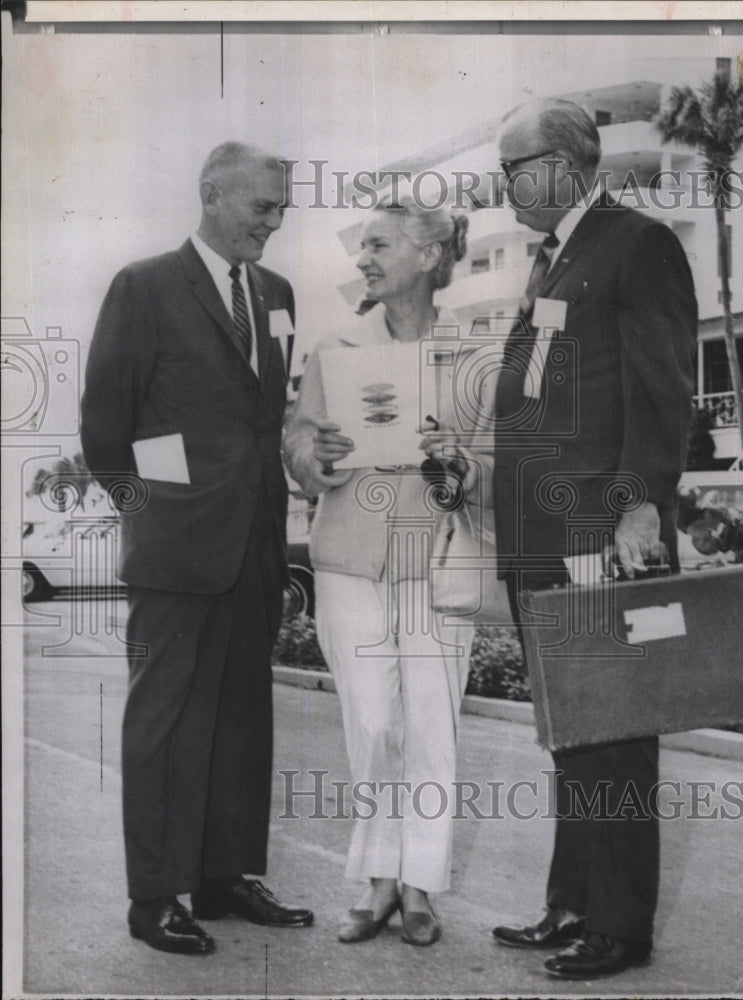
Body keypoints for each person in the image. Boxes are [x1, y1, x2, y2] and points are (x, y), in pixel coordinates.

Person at [80, 141, 314, 956]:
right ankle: (155, 896)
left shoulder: (279, 294)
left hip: (256, 547)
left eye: (282, 209)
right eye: (262, 207)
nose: (274, 223)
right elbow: (106, 433)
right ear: (212, 195)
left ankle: (225, 877)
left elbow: (264, 417)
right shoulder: (143, 287)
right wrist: (160, 512)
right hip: (177, 551)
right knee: (165, 723)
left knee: (244, 716)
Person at [488, 99, 697, 978]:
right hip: (541, 531)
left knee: (612, 727)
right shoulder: (556, 258)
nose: (505, 187)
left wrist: (637, 506)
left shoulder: (636, 244)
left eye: (515, 168)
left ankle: (619, 925)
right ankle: (571, 903)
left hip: (595, 531)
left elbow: (662, 394)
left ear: (571, 162)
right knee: (570, 728)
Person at [283, 195, 475, 948]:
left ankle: (420, 884)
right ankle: (379, 877)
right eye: (361, 248)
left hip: (438, 557)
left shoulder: (472, 349)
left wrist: (463, 465)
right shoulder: (336, 345)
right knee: (372, 722)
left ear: (427, 257)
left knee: (432, 724)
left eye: (378, 245)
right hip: (350, 555)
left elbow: (496, 449)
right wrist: (314, 460)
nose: (362, 259)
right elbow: (297, 439)